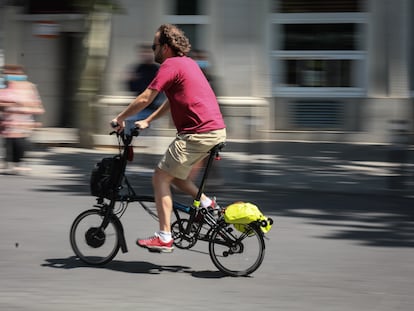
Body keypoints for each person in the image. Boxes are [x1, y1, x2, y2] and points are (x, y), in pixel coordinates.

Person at [112, 24, 226, 253]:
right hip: (213, 131)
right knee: (175, 176)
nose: (153, 49)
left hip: (197, 133)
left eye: (154, 45)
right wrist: (148, 121)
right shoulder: (187, 63)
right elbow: (171, 100)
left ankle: (164, 236)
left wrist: (121, 117)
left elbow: (145, 97)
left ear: (165, 47)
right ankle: (207, 204)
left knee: (160, 177)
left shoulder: (170, 65)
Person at [0, 65, 44, 173]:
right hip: (9, 122)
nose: (12, 75)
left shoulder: (29, 87)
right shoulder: (5, 87)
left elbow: (37, 105)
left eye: (15, 73)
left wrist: (24, 107)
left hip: (22, 123)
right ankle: (11, 162)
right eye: (9, 73)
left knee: (19, 142)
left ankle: (18, 162)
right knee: (11, 142)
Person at [124, 43, 165, 121]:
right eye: (143, 53)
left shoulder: (158, 69)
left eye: (148, 53)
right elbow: (133, 88)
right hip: (140, 107)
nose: (145, 55)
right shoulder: (137, 69)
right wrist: (130, 81)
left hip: (154, 107)